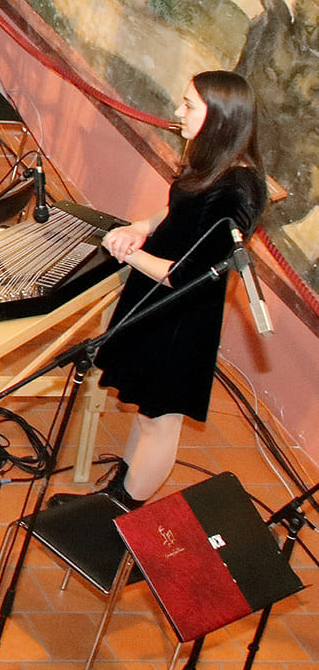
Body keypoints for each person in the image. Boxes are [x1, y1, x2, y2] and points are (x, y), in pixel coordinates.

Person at [92, 71, 268, 505]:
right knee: (145, 408)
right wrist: (138, 227)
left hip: (181, 318)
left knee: (160, 420)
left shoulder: (239, 190)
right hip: (155, 299)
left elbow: (184, 275)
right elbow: (179, 207)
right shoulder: (213, 159)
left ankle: (124, 520)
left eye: (189, 105)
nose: (178, 111)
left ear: (221, 118)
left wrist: (127, 252)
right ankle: (117, 497)